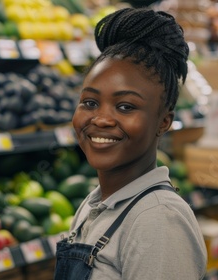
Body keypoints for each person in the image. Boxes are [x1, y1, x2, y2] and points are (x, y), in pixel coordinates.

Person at [54, 7, 207, 280]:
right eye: (90, 102)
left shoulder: (158, 221)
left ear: (163, 122)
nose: (100, 119)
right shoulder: (95, 204)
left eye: (125, 106)